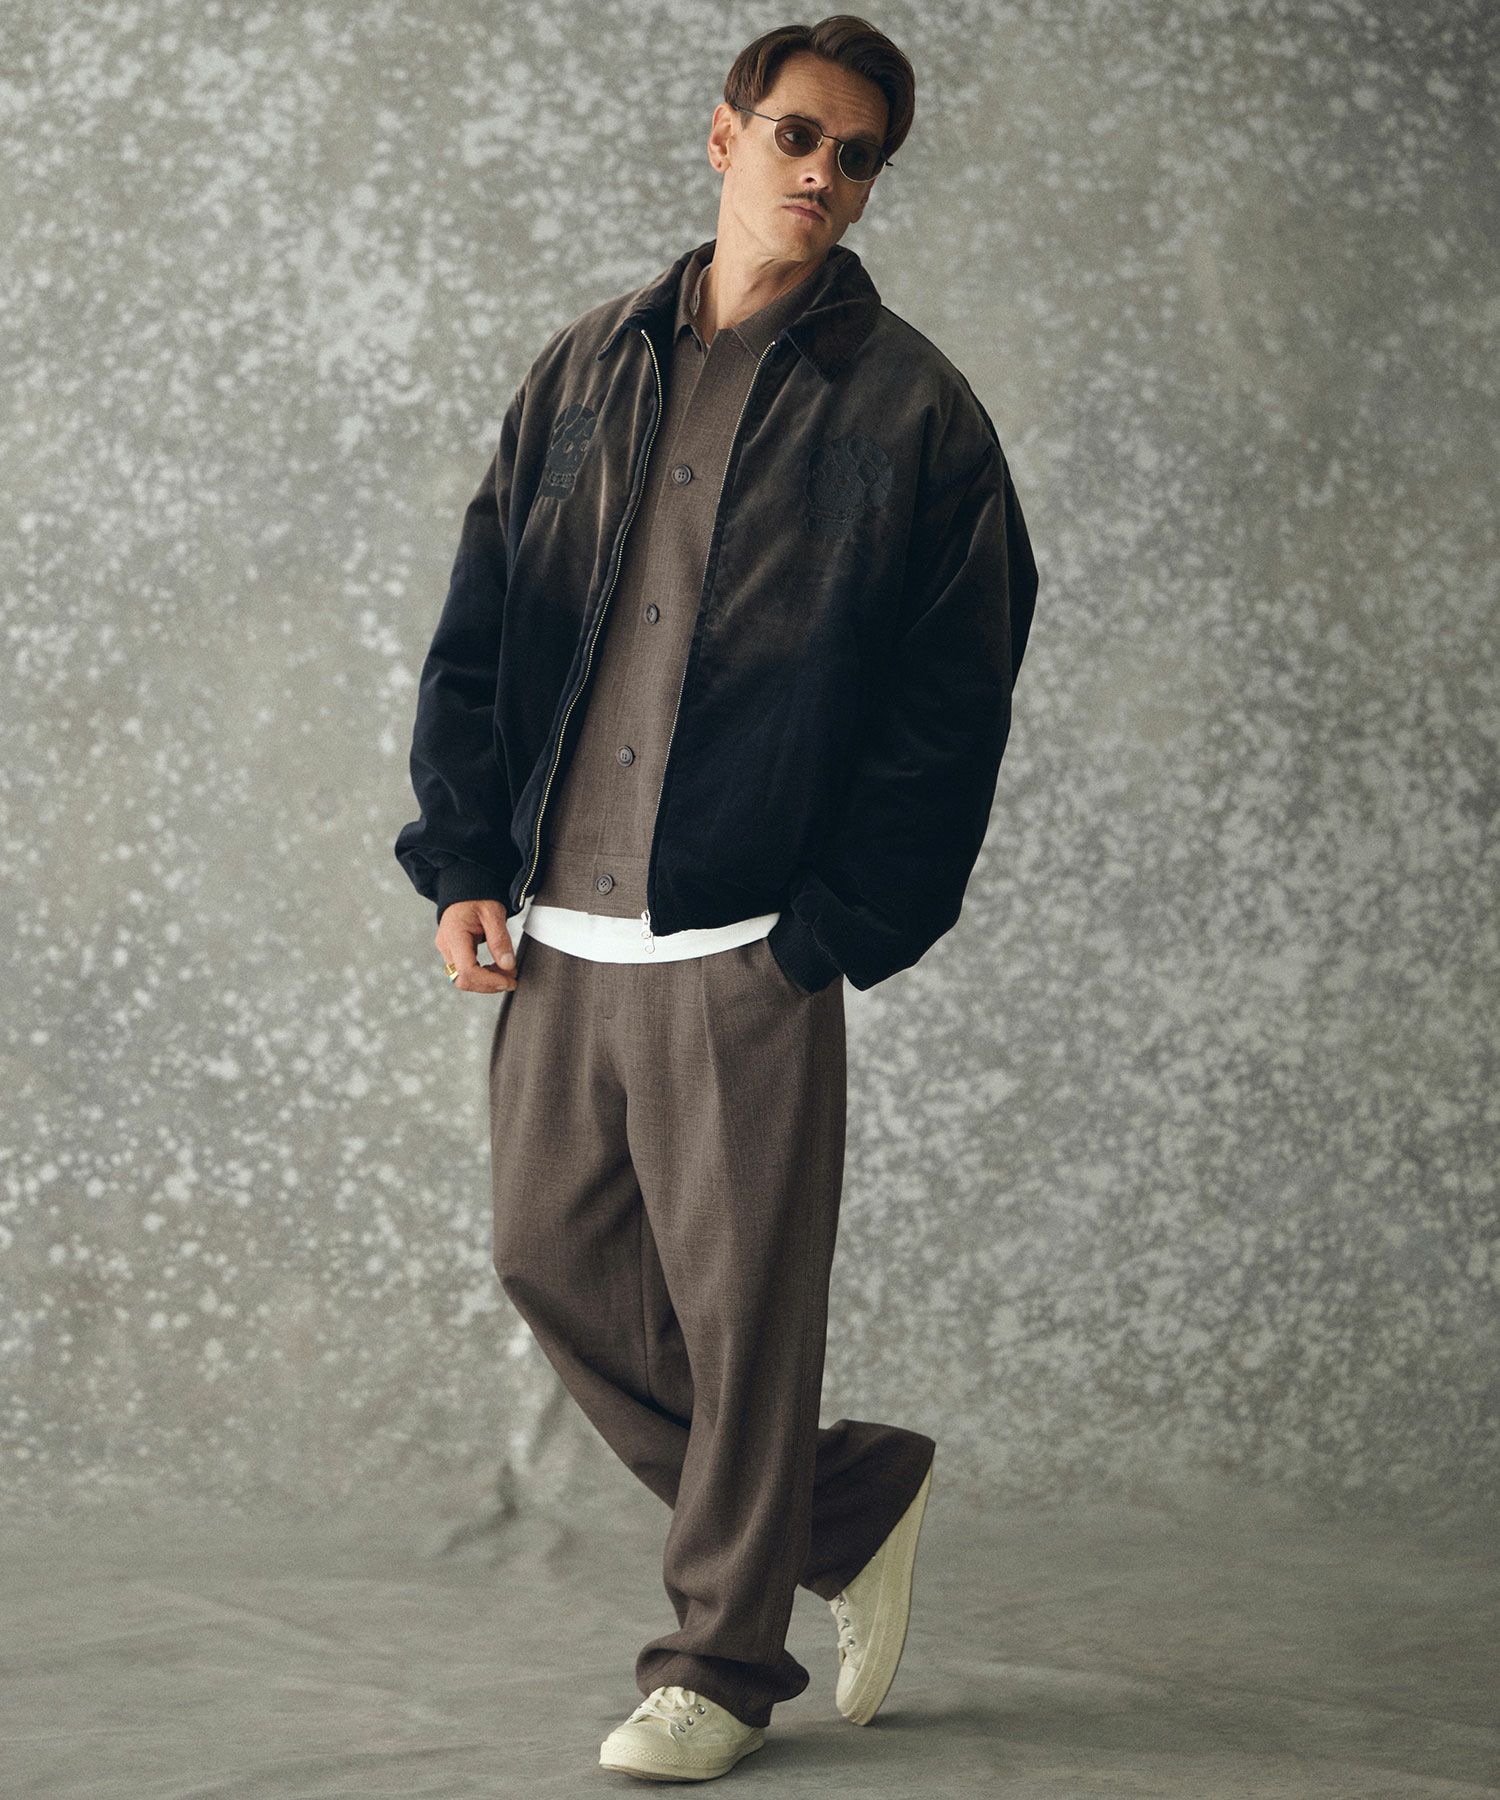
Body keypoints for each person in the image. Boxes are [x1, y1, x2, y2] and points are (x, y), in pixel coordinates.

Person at [394, 13, 1038, 1783]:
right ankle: (849, 1501)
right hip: (559, 929)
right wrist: (464, 859)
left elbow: (953, 705)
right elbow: (479, 629)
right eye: (798, 135)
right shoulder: (585, 367)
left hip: (746, 944)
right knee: (549, 1260)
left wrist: (827, 934)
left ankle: (719, 1665)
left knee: (747, 1325)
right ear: (726, 137)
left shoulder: (915, 413)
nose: (823, 173)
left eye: (857, 156)